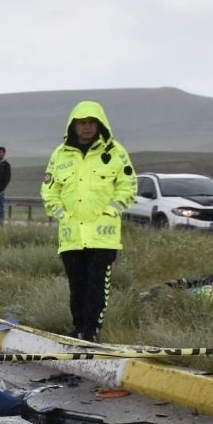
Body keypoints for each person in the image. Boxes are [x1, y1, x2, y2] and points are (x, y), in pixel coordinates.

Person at [41, 100, 136, 342]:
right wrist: (61, 213)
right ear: (73, 126)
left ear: (99, 124)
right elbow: (48, 190)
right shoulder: (60, 154)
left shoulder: (115, 152)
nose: (86, 127)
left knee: (96, 285)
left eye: (91, 123)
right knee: (77, 286)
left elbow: (128, 187)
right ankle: (78, 329)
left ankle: (91, 330)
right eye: (82, 123)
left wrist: (111, 211)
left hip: (102, 236)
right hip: (72, 234)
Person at [0, 146, 12, 223]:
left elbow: (7, 178)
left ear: (4, 154)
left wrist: (2, 188)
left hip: (0, 190)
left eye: (0, 152)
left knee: (0, 207)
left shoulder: (6, 164)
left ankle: (1, 224)